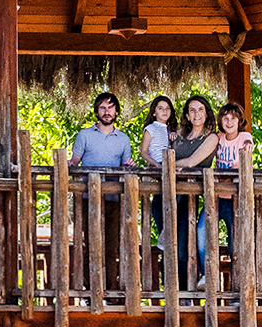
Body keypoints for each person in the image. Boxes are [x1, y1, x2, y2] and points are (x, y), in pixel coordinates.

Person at [71, 91, 132, 288]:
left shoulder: (123, 139)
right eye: (103, 108)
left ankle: (110, 291)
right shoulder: (85, 135)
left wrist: (129, 167)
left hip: (114, 198)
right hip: (89, 198)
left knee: (111, 246)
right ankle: (91, 290)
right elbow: (74, 162)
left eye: (110, 108)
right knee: (90, 245)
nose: (107, 112)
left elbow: (125, 166)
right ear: (97, 112)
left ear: (116, 111)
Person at [170, 95, 219, 289]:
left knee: (184, 246)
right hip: (171, 192)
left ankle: (185, 290)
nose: (196, 114)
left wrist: (166, 165)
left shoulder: (211, 137)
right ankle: (175, 289)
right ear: (187, 115)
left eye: (200, 110)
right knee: (171, 244)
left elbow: (191, 162)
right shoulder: (180, 135)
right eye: (192, 110)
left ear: (206, 114)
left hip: (192, 196)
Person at [213, 102, 255, 258]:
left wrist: (248, 147)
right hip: (217, 195)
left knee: (235, 241)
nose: (229, 122)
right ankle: (206, 276)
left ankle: (237, 278)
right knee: (203, 232)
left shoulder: (244, 136)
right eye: (225, 118)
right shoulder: (218, 138)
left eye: (233, 118)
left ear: (239, 121)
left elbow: (248, 143)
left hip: (235, 197)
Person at [139, 95, 175, 246]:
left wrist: (175, 138)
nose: (164, 111)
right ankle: (163, 233)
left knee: (170, 201)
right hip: (157, 165)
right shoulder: (150, 129)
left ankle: (169, 232)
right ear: (154, 112)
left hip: (171, 165)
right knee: (158, 202)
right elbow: (144, 151)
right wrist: (155, 164)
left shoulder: (172, 130)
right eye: (160, 108)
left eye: (167, 108)